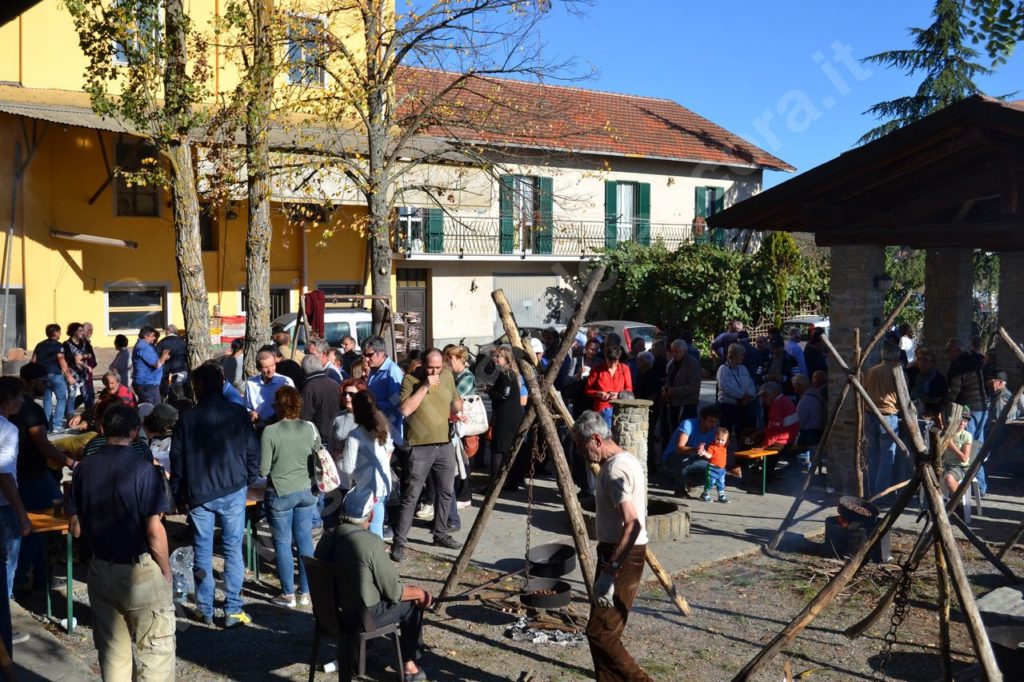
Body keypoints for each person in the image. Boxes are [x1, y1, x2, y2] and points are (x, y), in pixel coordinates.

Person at [67, 404, 175, 680]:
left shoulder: (82, 470)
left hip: (100, 568)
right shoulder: (143, 470)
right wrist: (165, 569)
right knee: (155, 652)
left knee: (113, 655)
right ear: (135, 431)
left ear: (102, 429)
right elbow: (154, 529)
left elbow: (75, 529)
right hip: (138, 567)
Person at [170, 364, 259, 627]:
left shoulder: (187, 418)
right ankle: (232, 609)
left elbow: (178, 461)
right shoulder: (238, 413)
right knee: (232, 550)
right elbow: (252, 449)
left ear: (197, 386)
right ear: (222, 383)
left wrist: (178, 493)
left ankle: (205, 608)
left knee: (203, 551)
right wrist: (249, 477)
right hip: (232, 488)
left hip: (200, 492)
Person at [314, 488, 432, 681]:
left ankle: (361, 656)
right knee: (411, 605)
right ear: (371, 514)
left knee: (364, 595)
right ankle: (409, 666)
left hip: (328, 615)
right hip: (357, 619)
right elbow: (395, 592)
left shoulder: (326, 537)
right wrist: (420, 593)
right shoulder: (370, 543)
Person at [571, 411, 653, 682]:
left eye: (582, 446)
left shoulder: (616, 469)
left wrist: (610, 571)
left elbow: (633, 524)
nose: (582, 453)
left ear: (596, 439)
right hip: (620, 554)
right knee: (606, 632)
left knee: (600, 633)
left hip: (622, 557)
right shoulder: (625, 458)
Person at [390, 348, 463, 563]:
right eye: (431, 367)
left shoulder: (447, 376)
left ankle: (440, 534)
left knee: (446, 492)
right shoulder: (410, 380)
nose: (435, 371)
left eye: (438, 367)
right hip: (419, 446)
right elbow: (404, 410)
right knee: (411, 495)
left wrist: (459, 411)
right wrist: (424, 386)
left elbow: (454, 399)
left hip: (444, 444)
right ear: (422, 364)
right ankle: (399, 542)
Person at [12, 363, 78, 594]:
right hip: (31, 477)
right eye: (42, 381)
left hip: (21, 476)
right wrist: (71, 463)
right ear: (30, 382)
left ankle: (41, 577)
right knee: (34, 528)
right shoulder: (31, 410)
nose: (46, 384)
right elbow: (43, 444)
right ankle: (18, 581)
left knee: (39, 529)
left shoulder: (16, 409)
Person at [259, 385, 319, 609]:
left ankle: (288, 594)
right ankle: (306, 592)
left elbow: (264, 470)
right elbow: (318, 453)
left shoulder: (270, 432)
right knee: (305, 540)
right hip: (307, 490)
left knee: (283, 543)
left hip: (281, 492)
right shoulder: (309, 427)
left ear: (278, 405)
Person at [0, 377, 31, 654]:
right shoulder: (7, 429)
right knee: (7, 566)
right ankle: (3, 625)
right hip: (3, 508)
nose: (23, 401)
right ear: (7, 400)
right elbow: (5, 475)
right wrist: (22, 514)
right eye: (19, 396)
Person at [341, 391, 394, 539]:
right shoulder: (384, 427)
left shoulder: (355, 435)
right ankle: (377, 556)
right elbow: (389, 452)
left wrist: (339, 459)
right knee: (377, 525)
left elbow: (348, 467)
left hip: (366, 489)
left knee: (364, 530)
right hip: (383, 485)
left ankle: (370, 557)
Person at [863, 342, 902, 498]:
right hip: (887, 416)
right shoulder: (896, 372)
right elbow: (902, 398)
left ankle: (871, 489)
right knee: (887, 457)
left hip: (870, 414)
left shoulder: (870, 371)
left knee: (873, 455)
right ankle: (881, 493)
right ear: (897, 356)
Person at [487, 346, 527, 491]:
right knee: (512, 448)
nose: (495, 359)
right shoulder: (513, 373)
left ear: (506, 359)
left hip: (506, 416)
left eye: (498, 357)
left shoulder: (506, 373)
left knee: (498, 449)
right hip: (514, 415)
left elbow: (504, 394)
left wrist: (490, 391)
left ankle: (494, 484)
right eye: (495, 356)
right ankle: (513, 481)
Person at [362, 336, 405, 444]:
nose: (367, 359)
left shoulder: (392, 371)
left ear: (381, 353)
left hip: (391, 432)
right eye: (364, 355)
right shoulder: (373, 370)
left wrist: (375, 405)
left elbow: (397, 401)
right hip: (378, 428)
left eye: (369, 355)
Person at [31, 324, 71, 432]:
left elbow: (33, 361)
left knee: (47, 400)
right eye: (59, 332)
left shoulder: (39, 345)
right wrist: (69, 376)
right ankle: (57, 425)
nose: (60, 334)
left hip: (43, 377)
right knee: (61, 399)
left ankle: (47, 425)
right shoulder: (59, 345)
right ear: (55, 333)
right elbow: (61, 360)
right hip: (55, 375)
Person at [244, 349, 295, 427]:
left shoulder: (285, 382)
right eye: (266, 367)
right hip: (260, 428)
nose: (270, 370)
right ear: (258, 368)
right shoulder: (251, 384)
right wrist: (251, 413)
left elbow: (292, 408)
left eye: (272, 365)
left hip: (280, 427)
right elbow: (247, 407)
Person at [585, 345, 633, 427]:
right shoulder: (597, 370)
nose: (612, 365)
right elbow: (587, 390)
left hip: (619, 407)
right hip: (602, 408)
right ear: (606, 357)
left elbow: (629, 389)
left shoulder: (624, 369)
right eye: (610, 361)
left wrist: (618, 395)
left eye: (615, 362)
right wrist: (598, 393)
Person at [716, 343, 757, 437]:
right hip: (728, 405)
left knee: (742, 432)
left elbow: (750, 383)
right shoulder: (723, 369)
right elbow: (726, 386)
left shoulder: (743, 368)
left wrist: (750, 395)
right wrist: (742, 395)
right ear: (734, 355)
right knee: (725, 432)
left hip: (742, 405)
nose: (743, 357)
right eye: (741, 354)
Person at [300, 354, 342, 445]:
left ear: (303, 370)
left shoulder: (309, 388)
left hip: (320, 439)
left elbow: (304, 417)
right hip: (336, 435)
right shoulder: (334, 384)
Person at [746, 381, 800, 450]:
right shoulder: (785, 400)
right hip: (790, 439)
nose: (763, 399)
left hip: (782, 442)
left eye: (765, 395)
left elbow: (776, 431)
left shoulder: (777, 405)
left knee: (746, 442)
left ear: (775, 392)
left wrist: (763, 445)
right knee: (750, 433)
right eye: (762, 396)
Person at [662, 339, 701, 428]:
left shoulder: (692, 363)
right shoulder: (672, 363)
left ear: (685, 351)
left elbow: (694, 385)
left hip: (687, 404)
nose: (673, 354)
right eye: (672, 351)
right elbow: (669, 380)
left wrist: (674, 391)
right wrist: (666, 388)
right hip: (673, 403)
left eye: (676, 352)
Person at [793, 372, 827, 471]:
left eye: (795, 387)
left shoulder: (806, 399)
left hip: (809, 436)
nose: (795, 390)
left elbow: (799, 422)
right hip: (817, 433)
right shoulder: (817, 395)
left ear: (800, 386)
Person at [132, 326, 170, 406]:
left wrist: (163, 358)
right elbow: (156, 364)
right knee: (153, 408)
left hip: (147, 383)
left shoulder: (145, 346)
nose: (154, 338)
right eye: (153, 336)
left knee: (145, 407)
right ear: (146, 336)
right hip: (147, 384)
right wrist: (164, 356)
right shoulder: (143, 347)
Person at [62, 322, 92, 423]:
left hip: (83, 373)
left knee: (86, 394)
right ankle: (69, 417)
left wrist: (83, 357)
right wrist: (77, 360)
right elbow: (69, 359)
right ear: (73, 332)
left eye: (83, 330)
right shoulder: (66, 344)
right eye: (80, 330)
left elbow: (91, 354)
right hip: (72, 373)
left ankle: (89, 417)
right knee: (71, 395)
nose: (82, 332)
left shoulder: (85, 343)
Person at [906, 347, 946, 418]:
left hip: (928, 414)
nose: (922, 362)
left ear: (932, 362)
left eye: (925, 360)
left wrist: (932, 413)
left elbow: (942, 400)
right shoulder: (912, 373)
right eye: (919, 359)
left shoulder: (938, 379)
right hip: (909, 410)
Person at [942, 408, 973, 497]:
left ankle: (958, 502)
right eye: (960, 420)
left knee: (948, 478)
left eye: (965, 421)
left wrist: (951, 445)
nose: (962, 423)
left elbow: (964, 458)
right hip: (944, 465)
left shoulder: (966, 436)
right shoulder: (946, 433)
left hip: (959, 467)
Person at [698, 427, 730, 503]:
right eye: (718, 439)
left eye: (723, 440)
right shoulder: (712, 446)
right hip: (712, 469)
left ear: (726, 440)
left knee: (721, 483)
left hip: (721, 470)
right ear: (714, 437)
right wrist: (704, 453)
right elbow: (709, 456)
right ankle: (705, 494)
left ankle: (721, 496)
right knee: (710, 483)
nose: (720, 442)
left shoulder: (724, 447)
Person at [156, 325, 188, 398]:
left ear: (168, 331)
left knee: (164, 394)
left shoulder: (162, 342)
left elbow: (156, 357)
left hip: (165, 372)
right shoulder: (182, 342)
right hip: (180, 369)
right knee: (179, 393)